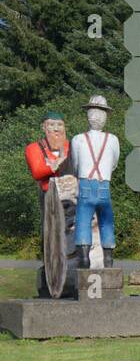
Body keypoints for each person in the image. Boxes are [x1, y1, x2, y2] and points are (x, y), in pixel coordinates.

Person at [25, 112, 79, 297]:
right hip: (50, 198)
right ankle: (53, 280)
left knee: (73, 235)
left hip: (72, 196)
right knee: (51, 236)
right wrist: (56, 163)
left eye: (59, 125)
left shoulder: (73, 146)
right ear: (44, 127)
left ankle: (72, 278)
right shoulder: (34, 148)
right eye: (51, 125)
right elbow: (38, 171)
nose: (56, 130)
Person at [71, 95, 120, 269]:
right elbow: (114, 163)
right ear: (105, 117)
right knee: (107, 222)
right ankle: (108, 259)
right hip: (103, 185)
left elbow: (75, 165)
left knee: (83, 220)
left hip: (85, 185)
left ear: (88, 115)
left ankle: (84, 259)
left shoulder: (77, 139)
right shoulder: (113, 140)